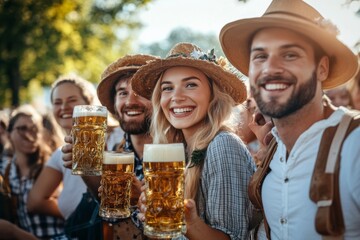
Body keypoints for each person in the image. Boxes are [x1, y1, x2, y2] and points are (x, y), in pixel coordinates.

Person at [220, 0, 360, 239]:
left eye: (290, 54)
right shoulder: (273, 149)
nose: (270, 67)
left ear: (322, 68)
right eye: (260, 56)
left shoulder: (354, 144)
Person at [132, 42, 256, 240]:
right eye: (167, 88)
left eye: (190, 85)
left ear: (213, 94)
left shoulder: (223, 145)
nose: (177, 97)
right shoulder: (180, 150)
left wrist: (190, 224)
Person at [61, 54, 158, 240]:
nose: (130, 101)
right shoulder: (116, 150)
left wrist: (140, 200)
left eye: (141, 92)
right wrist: (86, 169)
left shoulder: (175, 154)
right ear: (114, 104)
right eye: (123, 92)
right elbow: (105, 203)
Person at [27, 74, 103, 240]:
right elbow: (34, 201)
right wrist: (71, 211)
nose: (64, 107)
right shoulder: (60, 154)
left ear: (89, 102)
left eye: (72, 100)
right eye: (57, 102)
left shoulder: (118, 138)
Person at [1, 104, 66, 239]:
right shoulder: (6, 171)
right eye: (22, 129)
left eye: (34, 128)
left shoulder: (51, 167)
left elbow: (70, 208)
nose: (29, 134)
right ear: (9, 134)